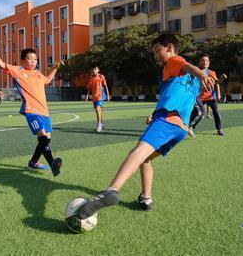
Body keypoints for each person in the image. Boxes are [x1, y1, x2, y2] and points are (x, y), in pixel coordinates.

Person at [68, 34, 214, 225]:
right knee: (146, 159)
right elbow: (180, 96)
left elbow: (185, 65)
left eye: (157, 51)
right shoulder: (191, 80)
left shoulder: (173, 62)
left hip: (167, 121)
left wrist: (201, 72)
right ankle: (146, 198)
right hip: (180, 129)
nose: (155, 56)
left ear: (169, 47)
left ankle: (111, 190)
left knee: (137, 152)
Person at [0, 38, 64, 176]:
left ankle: (33, 162)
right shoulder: (18, 71)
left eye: (35, 59)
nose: (33, 61)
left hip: (44, 111)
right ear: (22, 61)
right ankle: (52, 163)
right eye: (30, 58)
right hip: (31, 110)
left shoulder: (38, 74)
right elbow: (1, 64)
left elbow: (48, 80)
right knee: (43, 138)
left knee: (47, 138)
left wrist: (55, 68)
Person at [188, 55, 226, 137]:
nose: (204, 62)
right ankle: (190, 127)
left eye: (206, 60)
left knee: (216, 112)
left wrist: (218, 93)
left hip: (211, 97)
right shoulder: (196, 71)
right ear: (199, 62)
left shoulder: (211, 72)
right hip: (199, 96)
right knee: (197, 112)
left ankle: (219, 129)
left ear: (208, 63)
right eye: (202, 60)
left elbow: (217, 83)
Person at [85, 66, 110, 132]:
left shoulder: (101, 76)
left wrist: (108, 95)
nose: (94, 70)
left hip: (100, 96)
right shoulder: (91, 78)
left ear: (98, 70)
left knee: (98, 108)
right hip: (94, 97)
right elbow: (89, 89)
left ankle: (99, 125)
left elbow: (105, 86)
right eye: (93, 69)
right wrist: (87, 96)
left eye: (95, 69)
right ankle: (102, 123)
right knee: (98, 111)